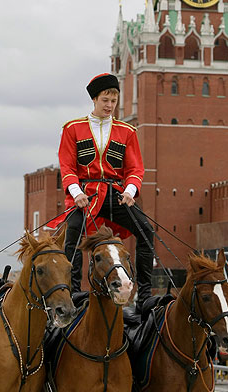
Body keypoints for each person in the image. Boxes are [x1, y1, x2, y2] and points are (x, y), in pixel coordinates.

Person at [58, 73, 154, 310]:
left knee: (146, 230)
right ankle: (74, 291)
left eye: (113, 101)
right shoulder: (73, 129)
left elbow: (135, 168)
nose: (110, 106)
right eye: (105, 100)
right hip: (84, 193)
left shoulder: (127, 132)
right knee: (73, 235)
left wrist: (130, 191)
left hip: (114, 192)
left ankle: (145, 294)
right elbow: (67, 166)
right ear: (95, 99)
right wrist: (75, 191)